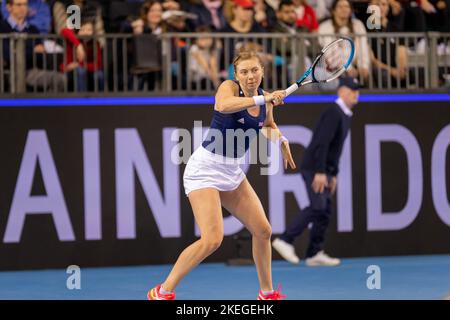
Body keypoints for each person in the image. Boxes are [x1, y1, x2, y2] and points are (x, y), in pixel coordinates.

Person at [148, 50, 296, 300]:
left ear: (262, 71)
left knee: (263, 231)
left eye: (255, 70)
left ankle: (267, 293)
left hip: (232, 172)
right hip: (204, 170)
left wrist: (280, 138)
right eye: (244, 72)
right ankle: (162, 291)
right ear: (236, 75)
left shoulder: (264, 98)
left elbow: (267, 126)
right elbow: (223, 106)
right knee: (212, 239)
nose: (250, 76)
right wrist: (265, 99)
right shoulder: (228, 88)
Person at [272, 76, 359, 266]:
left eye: (357, 91)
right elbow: (322, 143)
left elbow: (335, 149)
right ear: (342, 91)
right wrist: (320, 171)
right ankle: (284, 240)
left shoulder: (344, 114)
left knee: (325, 210)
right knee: (318, 206)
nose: (356, 95)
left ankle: (314, 253)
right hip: (314, 167)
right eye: (352, 90)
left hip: (325, 169)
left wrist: (332, 174)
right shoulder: (334, 113)